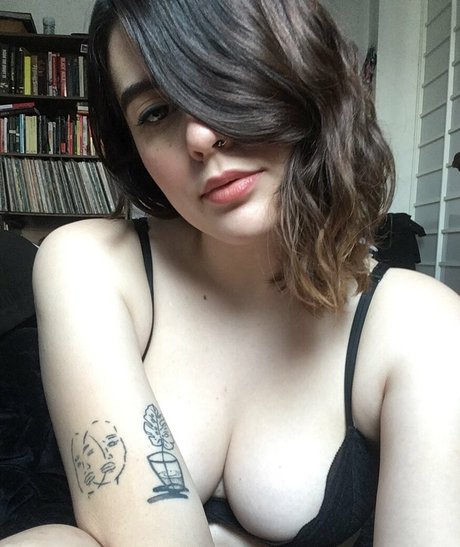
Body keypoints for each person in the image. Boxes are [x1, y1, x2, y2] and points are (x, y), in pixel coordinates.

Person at [2, 0, 460, 545]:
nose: (199, 136)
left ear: (305, 73)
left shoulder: (422, 326)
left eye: (220, 77)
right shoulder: (90, 263)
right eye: (156, 112)